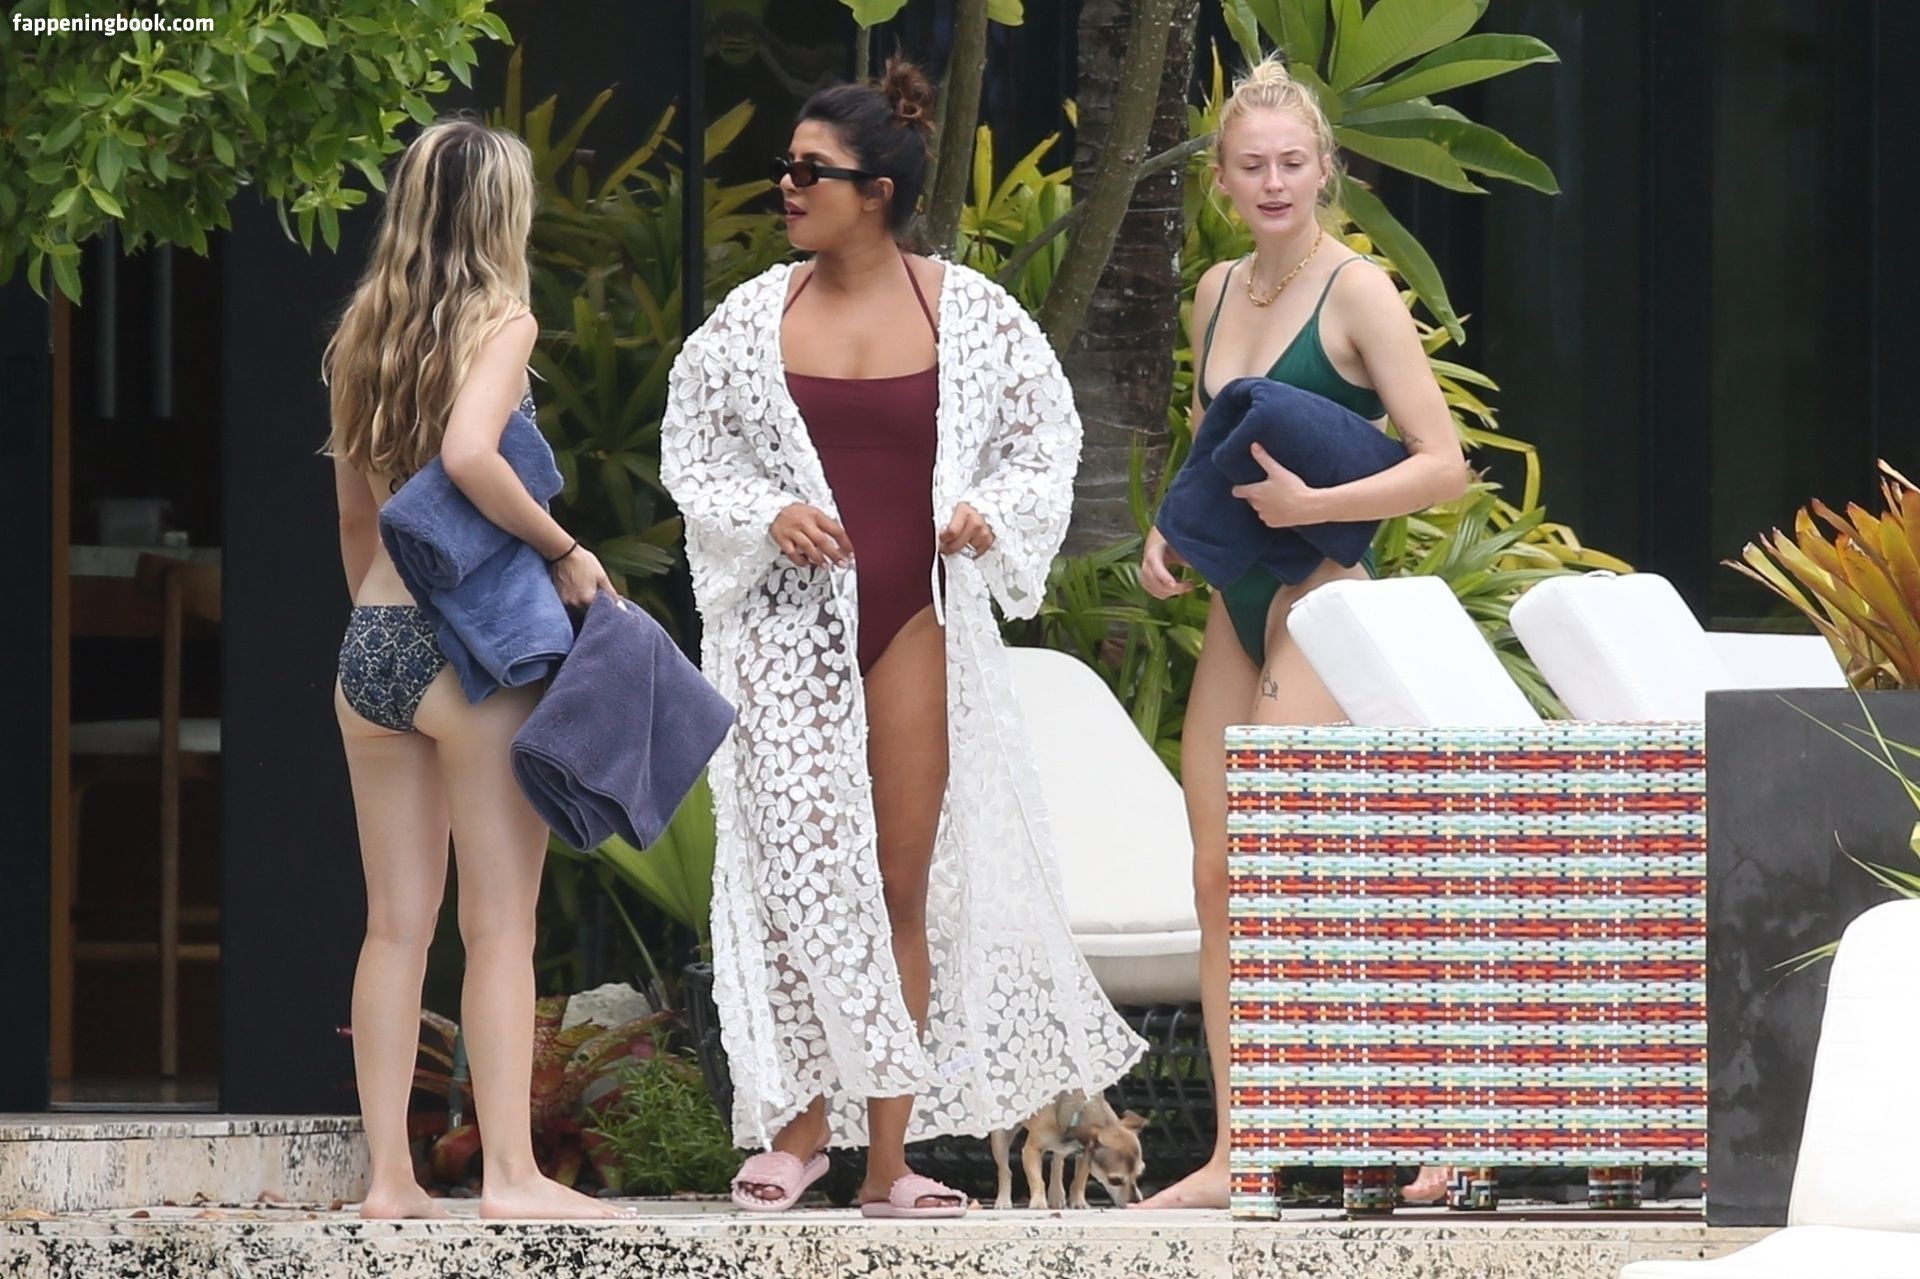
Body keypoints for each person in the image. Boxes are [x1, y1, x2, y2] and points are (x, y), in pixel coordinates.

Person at [662, 57, 1144, 1219]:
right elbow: (695, 453)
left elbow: (1045, 443)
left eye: (810, 171)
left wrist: (990, 510)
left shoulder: (966, 313)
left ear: (876, 192)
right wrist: (764, 512)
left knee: (897, 884)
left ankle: (890, 1161)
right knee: (795, 882)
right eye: (786, 166)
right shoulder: (752, 320)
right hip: (787, 638)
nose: (787, 185)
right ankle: (796, 1132)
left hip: (914, 619)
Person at [1133, 54, 1472, 1210]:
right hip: (1236, 595)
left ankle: (1432, 1123)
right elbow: (1211, 438)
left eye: (1291, 162)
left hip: (1320, 594)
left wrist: (1316, 503)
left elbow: (1443, 465)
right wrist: (1169, 530)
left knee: (1306, 865)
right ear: (1223, 181)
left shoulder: (1358, 291)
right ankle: (1241, 1152)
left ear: (1325, 170)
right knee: (1218, 874)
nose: (1273, 181)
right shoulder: (1215, 292)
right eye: (1252, 165)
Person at [323, 119, 624, 1221]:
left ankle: (389, 1182)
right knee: (499, 926)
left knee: (393, 925)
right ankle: (510, 1177)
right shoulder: (502, 321)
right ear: (504, 212)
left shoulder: (362, 330)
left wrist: (381, 626)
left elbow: (357, 518)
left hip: (373, 642)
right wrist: (564, 548)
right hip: (475, 655)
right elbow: (467, 455)